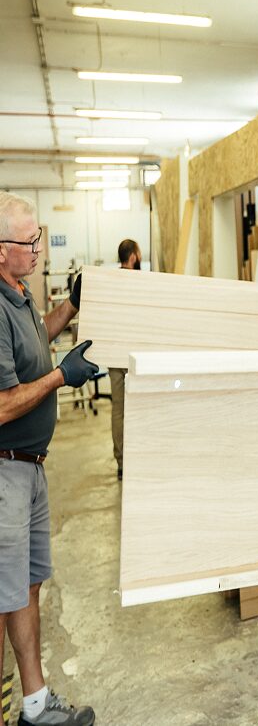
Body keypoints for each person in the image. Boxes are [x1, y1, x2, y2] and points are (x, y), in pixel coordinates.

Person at [0, 192, 99, 726]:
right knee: (1, 594)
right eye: (28, 241)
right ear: (0, 250)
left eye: (39, 237)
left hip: (30, 466)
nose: (38, 248)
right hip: (5, 470)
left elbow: (41, 340)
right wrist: (64, 376)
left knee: (26, 585)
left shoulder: (18, 293)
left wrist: (72, 305)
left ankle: (34, 705)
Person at [108, 239, 141, 481]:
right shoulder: (136, 282)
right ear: (133, 256)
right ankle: (136, 457)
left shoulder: (109, 282)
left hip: (112, 353)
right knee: (137, 406)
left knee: (118, 408)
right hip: (131, 355)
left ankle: (122, 462)